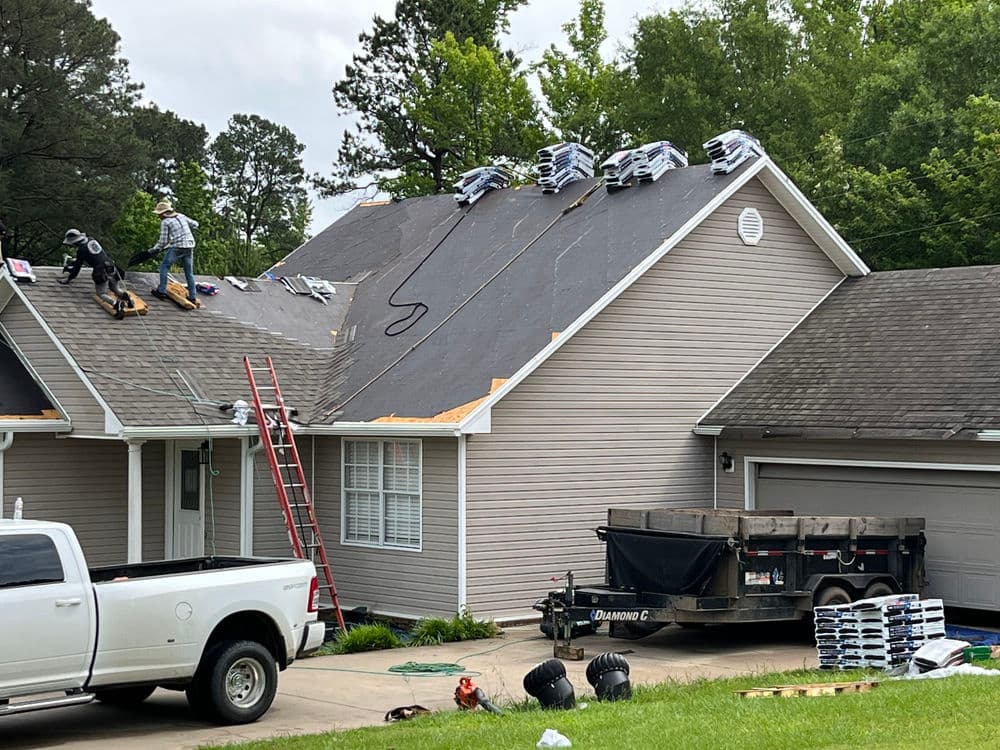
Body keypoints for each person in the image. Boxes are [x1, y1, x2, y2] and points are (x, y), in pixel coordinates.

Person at [59, 229, 133, 319]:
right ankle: (127, 298)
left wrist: (69, 278)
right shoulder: (91, 239)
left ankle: (116, 304)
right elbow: (93, 256)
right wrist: (72, 264)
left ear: (75, 242)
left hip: (101, 270)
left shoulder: (81, 250)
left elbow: (78, 266)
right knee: (115, 288)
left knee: (101, 293)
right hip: (111, 265)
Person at [149, 199, 199, 303]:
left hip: (178, 246)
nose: (158, 216)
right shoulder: (181, 216)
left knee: (164, 266)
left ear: (163, 213)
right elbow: (195, 224)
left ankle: (161, 291)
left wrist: (155, 250)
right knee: (189, 271)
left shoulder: (165, 222)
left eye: (159, 214)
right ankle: (192, 296)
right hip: (189, 245)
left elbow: (163, 241)